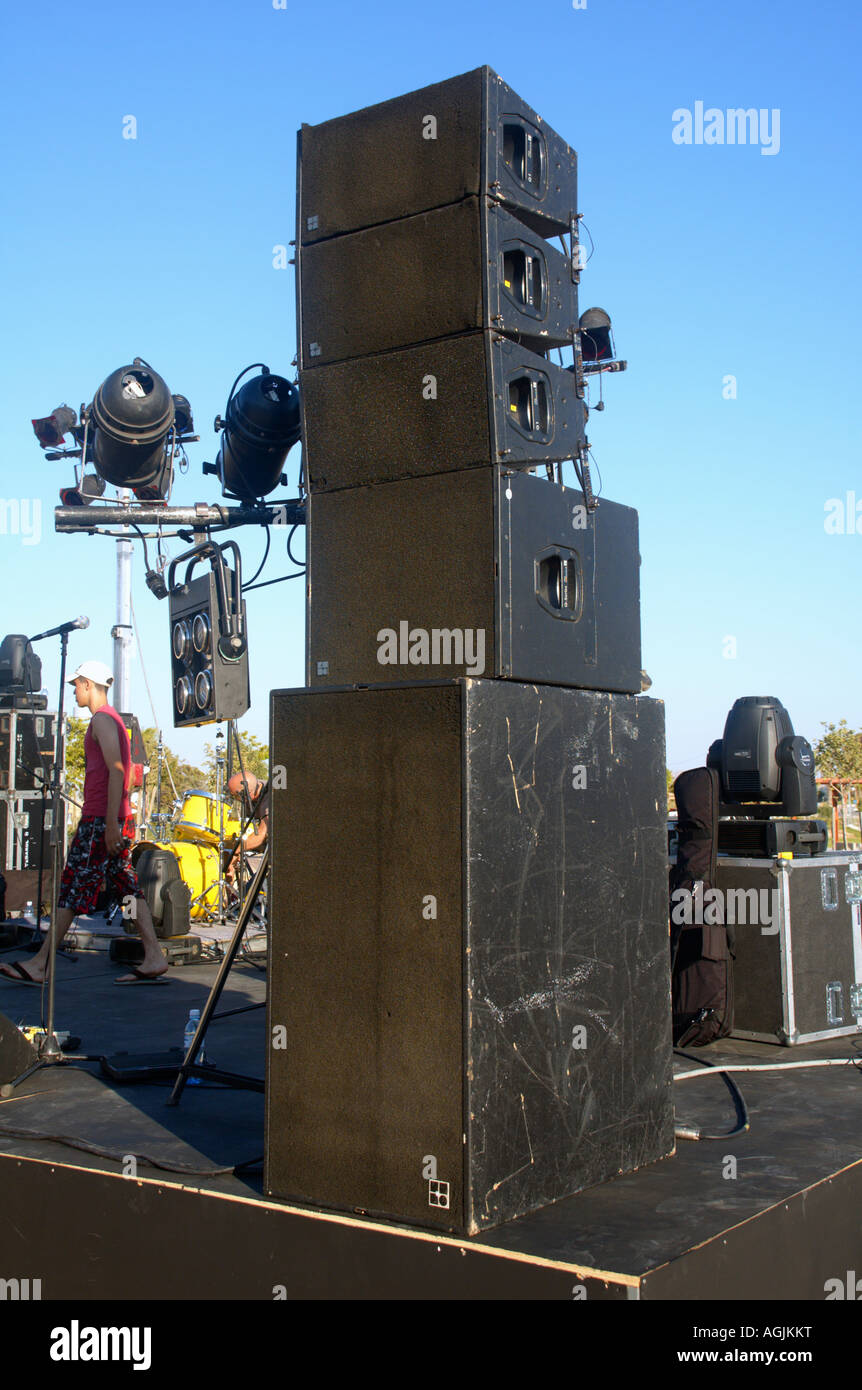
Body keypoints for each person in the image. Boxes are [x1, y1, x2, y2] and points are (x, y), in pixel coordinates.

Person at [0, 660, 169, 986]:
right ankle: (153, 955)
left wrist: (107, 824)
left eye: (76, 684)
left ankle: (41, 963)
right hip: (113, 818)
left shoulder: (103, 720)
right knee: (128, 890)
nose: (74, 690)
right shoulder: (113, 720)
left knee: (72, 891)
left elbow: (118, 770)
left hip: (100, 820)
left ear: (89, 685)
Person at [225, 771, 268, 884]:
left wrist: (236, 851)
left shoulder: (270, 798)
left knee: (254, 892)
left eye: (236, 797)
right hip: (261, 848)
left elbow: (260, 836)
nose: (236, 800)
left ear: (247, 793)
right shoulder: (250, 795)